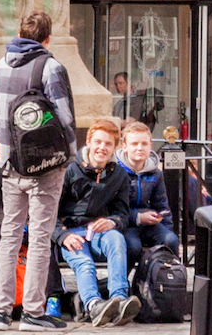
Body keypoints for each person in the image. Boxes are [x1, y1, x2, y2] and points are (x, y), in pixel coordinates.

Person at [0, 8, 78, 329]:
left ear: (21, 34)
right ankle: (33, 312)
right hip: (45, 167)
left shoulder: (0, 65)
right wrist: (68, 157)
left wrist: (4, 151)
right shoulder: (51, 67)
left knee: (9, 235)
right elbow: (65, 119)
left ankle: (0, 312)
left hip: (11, 167)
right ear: (48, 38)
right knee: (39, 238)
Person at [55, 120, 138, 326]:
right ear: (89, 142)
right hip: (71, 231)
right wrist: (62, 235)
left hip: (100, 231)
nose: (102, 148)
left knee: (117, 241)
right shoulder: (69, 170)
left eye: (108, 144)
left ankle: (119, 299)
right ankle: (93, 305)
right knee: (84, 263)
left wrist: (113, 221)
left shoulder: (119, 175)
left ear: (115, 148)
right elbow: (48, 212)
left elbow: (122, 213)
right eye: (98, 142)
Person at [116, 124, 176, 255]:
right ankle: (123, 276)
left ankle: (158, 273)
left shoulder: (156, 173)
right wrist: (138, 217)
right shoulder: (116, 171)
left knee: (170, 241)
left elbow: (162, 205)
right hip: (124, 223)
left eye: (144, 144)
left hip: (149, 224)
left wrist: (167, 229)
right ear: (124, 146)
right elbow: (112, 208)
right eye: (134, 144)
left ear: (150, 146)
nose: (139, 148)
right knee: (133, 247)